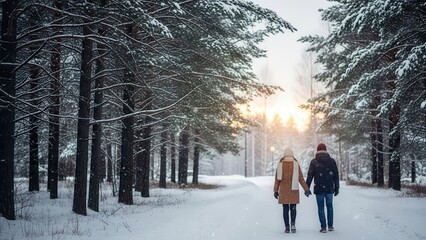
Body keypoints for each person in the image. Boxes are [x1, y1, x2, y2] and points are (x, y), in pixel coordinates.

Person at [274, 147, 312, 233]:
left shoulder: (280, 164)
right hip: (293, 189)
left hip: (283, 189)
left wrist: (275, 190)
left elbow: (277, 179)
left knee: (285, 209)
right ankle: (293, 225)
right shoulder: (296, 164)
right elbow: (301, 178)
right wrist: (306, 189)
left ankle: (287, 227)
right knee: (293, 208)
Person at [306, 143, 340, 233]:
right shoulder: (332, 161)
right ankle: (330, 226)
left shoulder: (314, 162)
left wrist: (307, 188)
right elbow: (336, 175)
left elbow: (310, 175)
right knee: (330, 206)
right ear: (326, 150)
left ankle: (323, 227)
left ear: (317, 150)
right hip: (329, 188)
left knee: (320, 208)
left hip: (319, 188)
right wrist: (337, 188)